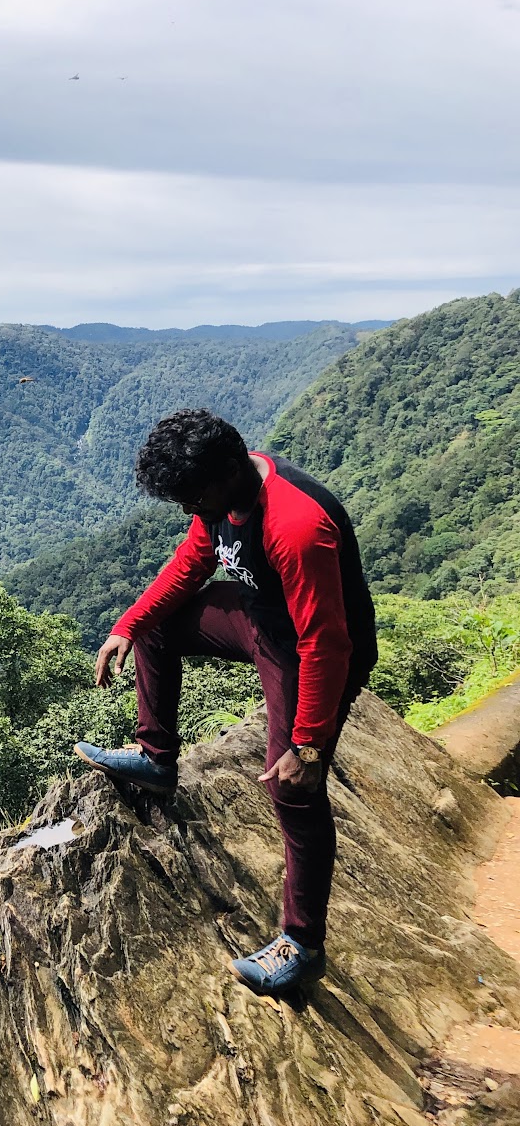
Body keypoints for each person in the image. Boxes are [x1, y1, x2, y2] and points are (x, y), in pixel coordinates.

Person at [74, 409, 376, 996]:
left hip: (311, 651)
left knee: (292, 788)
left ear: (231, 470)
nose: (191, 509)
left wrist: (308, 744)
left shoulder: (295, 526)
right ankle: (157, 759)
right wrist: (128, 624)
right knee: (156, 628)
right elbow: (193, 563)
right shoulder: (224, 497)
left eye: (194, 496)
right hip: (260, 620)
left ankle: (302, 944)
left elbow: (326, 640)